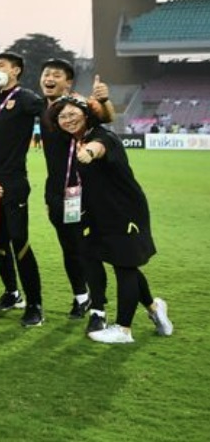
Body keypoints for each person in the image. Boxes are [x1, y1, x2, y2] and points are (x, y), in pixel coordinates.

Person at [50, 97, 173, 344]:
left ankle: (124, 330)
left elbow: (99, 147)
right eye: (62, 116)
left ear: (86, 115)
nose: (68, 120)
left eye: (73, 114)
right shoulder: (72, 141)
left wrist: (89, 153)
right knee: (102, 258)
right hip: (96, 213)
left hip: (123, 211)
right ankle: (154, 307)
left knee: (124, 266)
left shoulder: (102, 136)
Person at [0, 52, 45, 327]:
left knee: (19, 241)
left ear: (16, 71)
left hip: (12, 182)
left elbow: (50, 112)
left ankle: (35, 304)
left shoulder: (25, 98)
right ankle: (12, 292)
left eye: (1, 66)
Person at [38, 59, 112, 329]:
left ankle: (99, 308)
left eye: (56, 75)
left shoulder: (80, 105)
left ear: (68, 82)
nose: (49, 78)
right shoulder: (40, 107)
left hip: (86, 192)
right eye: (46, 74)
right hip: (57, 193)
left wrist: (104, 100)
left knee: (87, 250)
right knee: (68, 247)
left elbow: (106, 117)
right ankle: (81, 297)